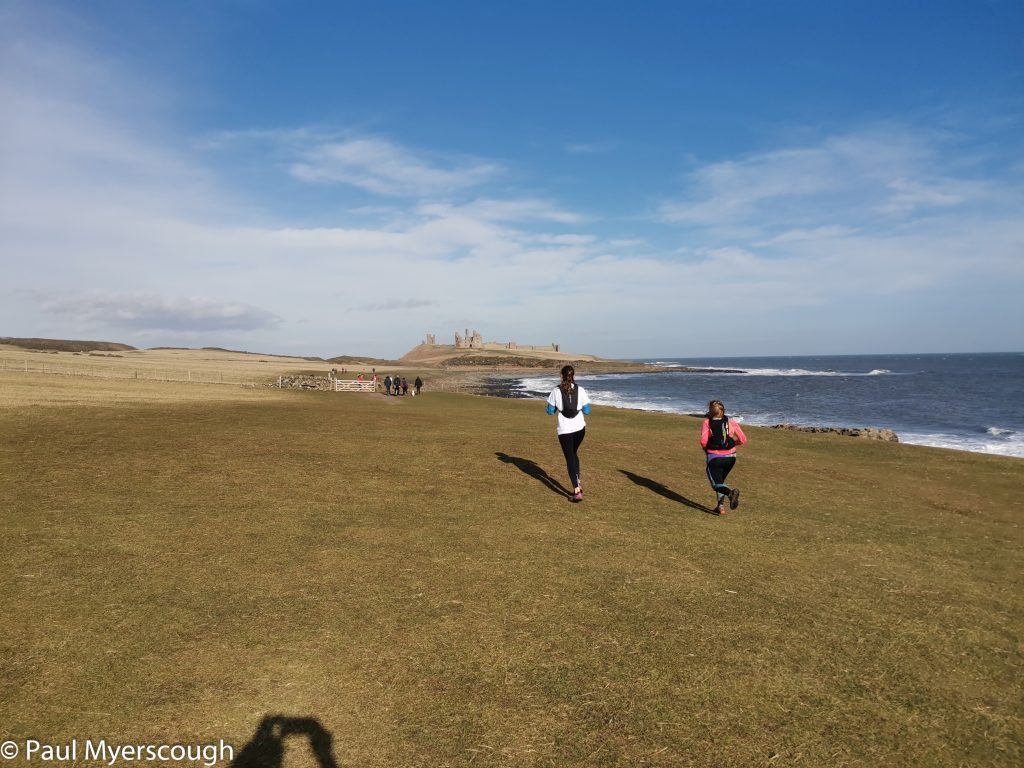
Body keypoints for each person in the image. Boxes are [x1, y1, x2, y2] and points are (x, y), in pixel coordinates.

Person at [546, 365, 591, 502]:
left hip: (565, 430)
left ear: (562, 375)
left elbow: (549, 411)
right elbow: (587, 411)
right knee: (573, 454)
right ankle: (578, 480)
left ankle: (577, 490)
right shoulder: (581, 390)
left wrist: (555, 409)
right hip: (580, 429)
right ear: (573, 375)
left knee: (570, 457)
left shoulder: (556, 391)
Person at [700, 399, 748, 515]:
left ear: (710, 411)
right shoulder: (731, 422)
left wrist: (708, 450)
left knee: (716, 484)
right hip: (731, 458)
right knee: (721, 481)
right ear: (723, 410)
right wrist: (732, 444)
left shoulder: (707, 422)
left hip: (715, 458)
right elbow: (743, 439)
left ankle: (730, 493)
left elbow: (703, 442)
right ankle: (720, 507)